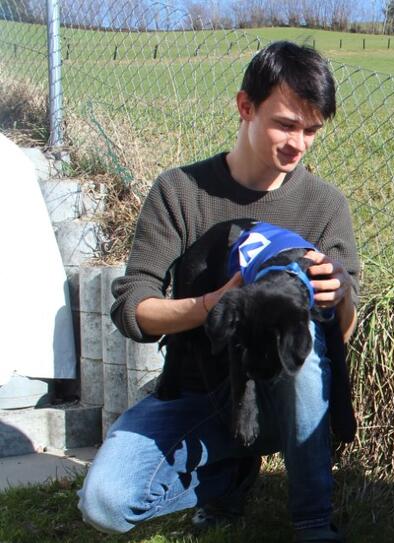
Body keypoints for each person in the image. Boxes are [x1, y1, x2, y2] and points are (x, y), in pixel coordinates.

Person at [78, 41, 359, 543]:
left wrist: (337, 297)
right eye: (286, 124)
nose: (299, 143)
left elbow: (341, 336)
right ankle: (229, 473)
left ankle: (314, 521)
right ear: (245, 106)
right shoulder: (180, 191)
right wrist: (213, 304)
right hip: (195, 393)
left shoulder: (325, 206)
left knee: (304, 338)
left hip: (283, 398)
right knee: (106, 503)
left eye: (312, 130)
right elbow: (132, 308)